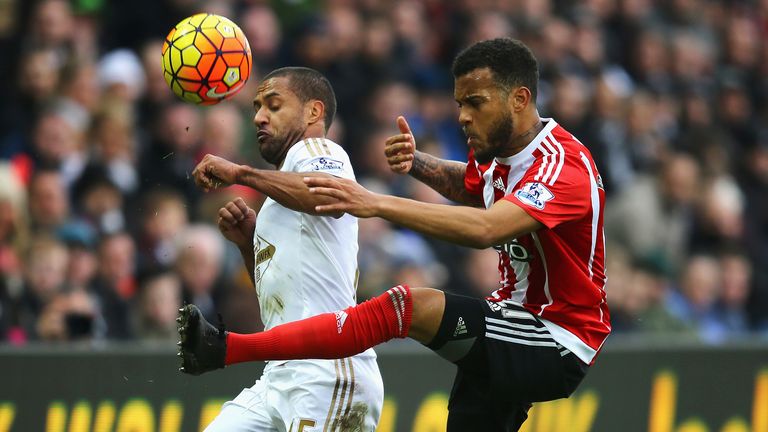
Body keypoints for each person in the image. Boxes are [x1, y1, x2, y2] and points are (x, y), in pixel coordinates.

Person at [179, 39, 611, 431]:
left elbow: (487, 227)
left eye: (475, 103)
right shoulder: (503, 155)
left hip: (555, 337)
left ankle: (230, 348)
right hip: (508, 322)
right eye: (459, 102)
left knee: (408, 305)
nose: (462, 116)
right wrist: (419, 164)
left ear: (520, 99)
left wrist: (376, 202)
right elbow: (474, 187)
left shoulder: (561, 166)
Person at [184, 67, 384, 432]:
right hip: (279, 374)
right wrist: (249, 244)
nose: (259, 116)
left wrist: (240, 174)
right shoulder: (279, 195)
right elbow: (280, 297)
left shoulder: (319, 149)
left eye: (274, 105)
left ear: (313, 112)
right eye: (257, 107)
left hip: (327, 369)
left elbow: (331, 197)